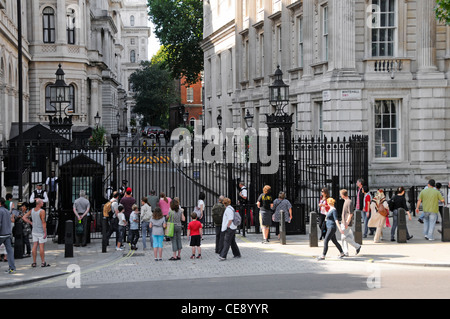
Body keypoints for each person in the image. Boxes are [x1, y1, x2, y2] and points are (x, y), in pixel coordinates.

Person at [22, 199, 49, 268]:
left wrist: (31, 223)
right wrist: (45, 232)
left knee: (34, 245)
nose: (43, 203)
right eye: (42, 202)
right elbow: (43, 222)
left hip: (34, 230)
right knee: (41, 246)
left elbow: (24, 217)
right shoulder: (42, 211)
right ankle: (43, 262)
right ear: (39, 204)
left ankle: (34, 262)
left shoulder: (32, 210)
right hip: (41, 231)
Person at [339, 189, 361, 256]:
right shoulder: (346, 201)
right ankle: (346, 252)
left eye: (341, 194)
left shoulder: (349, 202)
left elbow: (351, 213)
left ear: (343, 195)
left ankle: (357, 246)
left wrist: (347, 223)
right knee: (346, 237)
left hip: (346, 222)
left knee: (344, 237)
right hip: (344, 222)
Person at [0, 197, 16, 273]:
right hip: (8, 234)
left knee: (9, 251)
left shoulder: (0, 211)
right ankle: (12, 268)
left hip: (1, 234)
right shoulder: (6, 211)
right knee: (9, 252)